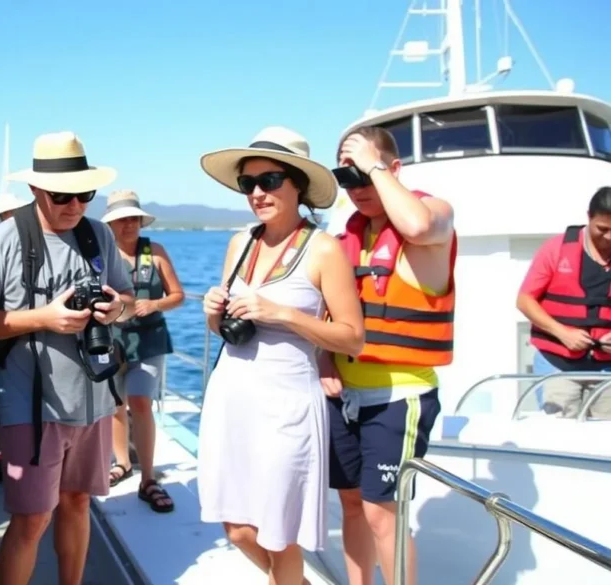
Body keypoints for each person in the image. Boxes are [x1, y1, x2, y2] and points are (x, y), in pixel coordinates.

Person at [0, 131, 135, 585]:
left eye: (85, 194)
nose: (75, 204)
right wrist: (45, 318)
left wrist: (117, 307)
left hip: (95, 401)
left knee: (79, 502)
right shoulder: (0, 241)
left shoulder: (98, 235)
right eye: (63, 195)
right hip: (31, 405)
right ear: (35, 189)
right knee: (33, 518)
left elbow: (129, 300)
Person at [197, 126, 365, 585]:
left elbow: (351, 338)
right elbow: (229, 329)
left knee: (278, 535)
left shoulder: (324, 249)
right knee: (236, 528)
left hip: (286, 406)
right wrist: (214, 314)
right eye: (248, 183)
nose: (257, 192)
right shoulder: (240, 243)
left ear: (297, 185)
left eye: (269, 180)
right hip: (233, 399)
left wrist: (283, 312)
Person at [319, 125, 454, 585]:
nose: (357, 188)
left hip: (400, 396)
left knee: (383, 514)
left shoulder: (434, 214)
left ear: (392, 170)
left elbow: (415, 225)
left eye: (365, 174)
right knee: (352, 506)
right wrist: (322, 362)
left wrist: (373, 167)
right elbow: (331, 314)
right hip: (344, 394)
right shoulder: (346, 237)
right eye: (347, 177)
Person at [102, 189, 183, 513]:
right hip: (113, 341)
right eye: (122, 220)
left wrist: (156, 303)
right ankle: (122, 463)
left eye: (133, 218)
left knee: (140, 401)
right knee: (114, 404)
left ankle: (147, 477)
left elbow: (176, 295)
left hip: (149, 341)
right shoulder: (103, 256)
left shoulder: (157, 252)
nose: (128, 225)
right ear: (112, 224)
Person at [516, 186, 611, 420]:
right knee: (559, 433)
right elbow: (525, 300)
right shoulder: (556, 249)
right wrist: (563, 333)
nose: (609, 237)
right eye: (603, 229)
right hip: (557, 364)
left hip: (606, 369)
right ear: (589, 217)